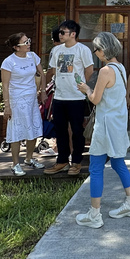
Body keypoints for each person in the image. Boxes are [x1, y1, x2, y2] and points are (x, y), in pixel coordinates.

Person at [74, 32, 130, 227]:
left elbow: (95, 98)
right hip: (118, 123)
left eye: (97, 49)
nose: (95, 52)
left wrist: (86, 88)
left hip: (105, 125)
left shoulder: (105, 71)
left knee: (95, 167)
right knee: (119, 163)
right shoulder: (120, 67)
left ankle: (94, 214)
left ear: (103, 50)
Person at [44, 20, 94, 176]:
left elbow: (89, 69)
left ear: (73, 34)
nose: (60, 35)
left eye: (63, 32)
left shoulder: (82, 49)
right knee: (60, 131)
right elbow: (52, 70)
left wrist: (81, 85)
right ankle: (62, 161)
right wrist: (43, 90)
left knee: (77, 131)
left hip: (76, 97)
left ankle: (77, 162)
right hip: (59, 96)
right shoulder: (57, 50)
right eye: (59, 32)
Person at [1, 32, 46, 177]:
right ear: (16, 47)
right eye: (25, 42)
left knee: (33, 127)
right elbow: (5, 85)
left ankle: (29, 158)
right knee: (17, 131)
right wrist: (6, 105)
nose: (28, 44)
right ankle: (15, 163)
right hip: (16, 100)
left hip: (32, 98)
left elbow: (42, 74)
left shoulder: (33, 56)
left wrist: (43, 91)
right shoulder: (9, 62)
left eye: (28, 41)